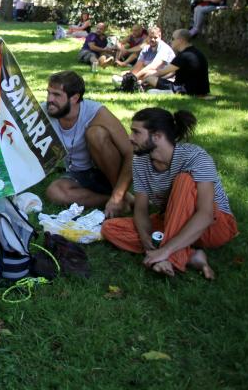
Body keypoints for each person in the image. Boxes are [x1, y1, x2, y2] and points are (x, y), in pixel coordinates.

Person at [101, 108, 237, 278]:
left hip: (213, 227)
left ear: (157, 136)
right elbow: (141, 210)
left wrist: (165, 250)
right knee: (110, 228)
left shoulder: (195, 157)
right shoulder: (140, 161)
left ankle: (170, 257)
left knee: (184, 180)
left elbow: (206, 214)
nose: (130, 137)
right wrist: (146, 240)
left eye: (136, 132)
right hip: (173, 221)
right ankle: (192, 255)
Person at [45, 71, 134, 217]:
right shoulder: (45, 112)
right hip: (77, 173)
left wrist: (118, 193)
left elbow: (131, 152)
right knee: (54, 192)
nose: (50, 99)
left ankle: (118, 195)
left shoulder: (96, 112)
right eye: (48, 93)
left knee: (96, 134)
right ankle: (117, 200)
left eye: (56, 95)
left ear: (74, 98)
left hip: (106, 171)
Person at [144, 29, 211, 96]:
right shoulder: (197, 53)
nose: (171, 41)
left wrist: (144, 80)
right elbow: (173, 73)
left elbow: (161, 72)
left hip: (185, 90)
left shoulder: (183, 56)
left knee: (150, 79)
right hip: (201, 90)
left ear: (180, 40)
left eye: (173, 39)